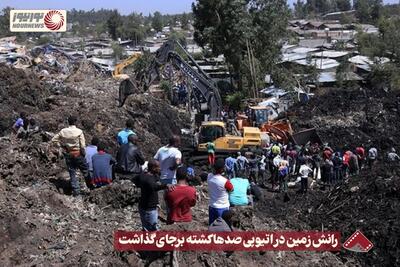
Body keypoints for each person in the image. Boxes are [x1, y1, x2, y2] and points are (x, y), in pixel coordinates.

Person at [51, 115, 88, 197]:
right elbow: (82, 146)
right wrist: (84, 154)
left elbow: (54, 140)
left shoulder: (63, 131)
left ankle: (76, 191)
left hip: (69, 154)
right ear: (75, 122)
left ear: (68, 122)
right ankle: (90, 187)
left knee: (72, 173)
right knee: (85, 171)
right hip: (78, 153)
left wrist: (61, 146)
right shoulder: (79, 131)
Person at [138, 160, 175, 231]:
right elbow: (155, 187)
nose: (160, 168)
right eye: (158, 167)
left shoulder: (144, 175)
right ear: (153, 168)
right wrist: (166, 185)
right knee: (152, 229)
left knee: (146, 227)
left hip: (144, 205)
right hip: (149, 209)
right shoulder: (149, 180)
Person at [208, 158, 234, 225]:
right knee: (223, 227)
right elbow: (232, 189)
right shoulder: (225, 181)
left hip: (212, 206)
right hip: (222, 207)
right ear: (222, 169)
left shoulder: (209, 176)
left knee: (212, 226)